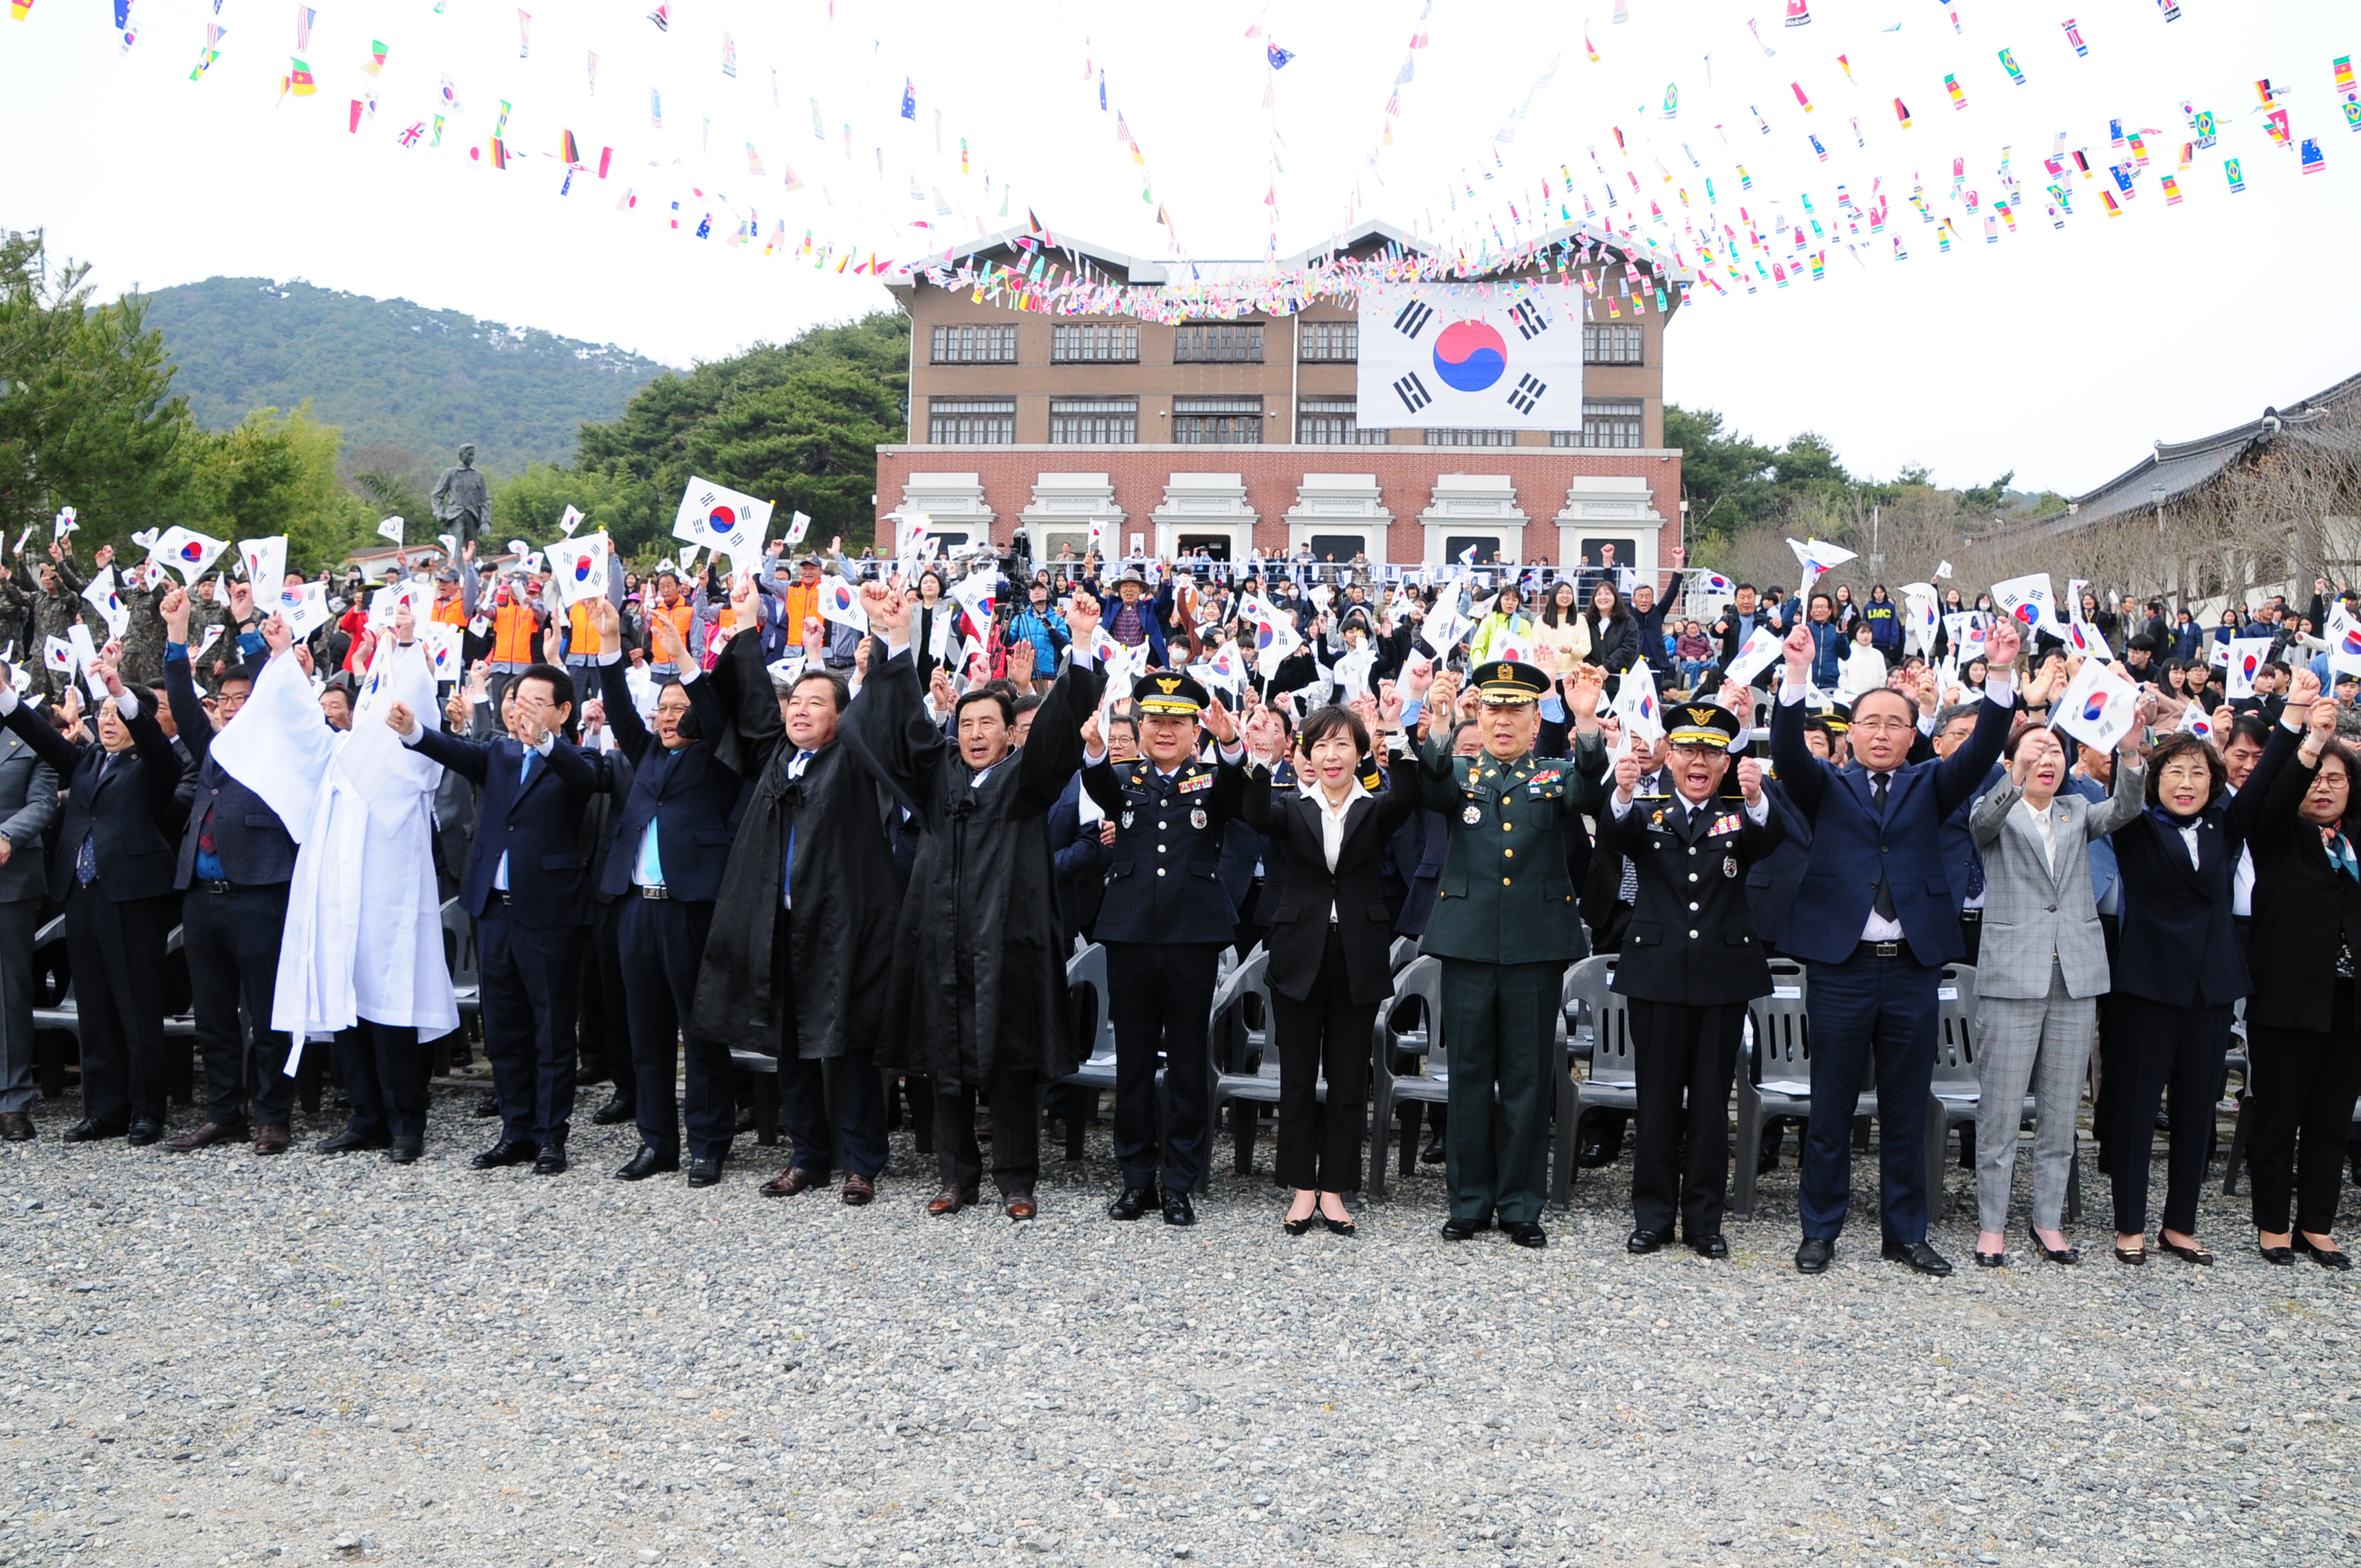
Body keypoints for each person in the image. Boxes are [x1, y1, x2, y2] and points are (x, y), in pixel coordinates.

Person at [1770, 612, 2021, 1277]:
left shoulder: (1930, 784)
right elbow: (1791, 753)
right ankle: (1819, 1230)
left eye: (1895, 725)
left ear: (1915, 736)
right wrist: (1796, 675)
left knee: (1908, 1109)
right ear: (1850, 733)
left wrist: (1999, 674)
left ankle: (1904, 1233)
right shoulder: (1827, 786)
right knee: (1829, 1108)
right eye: (1870, 724)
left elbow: (1985, 745)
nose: (1882, 735)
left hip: (1911, 969)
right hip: (1841, 968)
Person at [854, 584, 1103, 1219]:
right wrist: (896, 639)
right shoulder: (937, 780)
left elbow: (1056, 734)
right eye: (964, 724)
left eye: (987, 722)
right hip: (940, 940)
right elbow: (904, 730)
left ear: (1007, 732)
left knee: (1013, 1066)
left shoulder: (1027, 781)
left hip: (1008, 945)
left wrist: (1076, 643)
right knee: (944, 1065)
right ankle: (955, 1177)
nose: (974, 733)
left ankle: (1017, 1181)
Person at [690, 578, 899, 1205]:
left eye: (816, 702)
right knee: (792, 1050)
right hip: (778, 925)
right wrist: (750, 629)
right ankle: (808, 1155)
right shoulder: (779, 760)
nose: (800, 709)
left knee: (851, 1048)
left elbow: (884, 711)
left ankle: (862, 1161)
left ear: (842, 715)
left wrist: (885, 635)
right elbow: (753, 703)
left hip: (842, 928)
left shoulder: (857, 761)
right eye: (796, 702)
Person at [1401, 659, 1609, 1248]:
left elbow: (1589, 788)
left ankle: (1520, 1204)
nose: (1503, 720)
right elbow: (1431, 784)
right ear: (1480, 714)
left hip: (1535, 945)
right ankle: (1469, 1201)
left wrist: (1587, 720)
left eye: (1516, 709)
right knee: (1468, 1075)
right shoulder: (1461, 771)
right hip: (1467, 943)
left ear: (1536, 718)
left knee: (1526, 1080)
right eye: (1493, 708)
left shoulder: (1555, 773)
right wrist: (1436, 720)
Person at [2105, 685, 2307, 1266]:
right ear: (2158, 780)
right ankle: (2130, 1224)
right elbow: (2122, 795)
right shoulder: (2136, 828)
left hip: (2212, 986)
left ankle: (2180, 1225)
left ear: (2213, 783)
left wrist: (2293, 720)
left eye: (2198, 772)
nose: (2188, 782)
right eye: (2176, 772)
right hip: (2148, 984)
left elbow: (2269, 780)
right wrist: (2130, 751)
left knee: (2197, 1110)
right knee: (2139, 1110)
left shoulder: (2226, 824)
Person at [251, 609, 456, 1164]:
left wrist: (407, 644)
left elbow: (414, 696)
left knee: (392, 1007)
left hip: (387, 895)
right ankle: (366, 1116)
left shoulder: (405, 753)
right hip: (336, 894)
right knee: (347, 1007)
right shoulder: (339, 751)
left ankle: (407, 1121)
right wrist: (279, 653)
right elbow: (294, 722)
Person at [396, 661, 597, 1175]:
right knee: (504, 1030)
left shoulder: (576, 757)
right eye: (516, 700)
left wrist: (546, 744)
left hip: (549, 916)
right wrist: (416, 731)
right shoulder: (500, 754)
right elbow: (456, 752)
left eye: (534, 702)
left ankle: (552, 1136)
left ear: (562, 710)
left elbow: (584, 779)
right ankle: (516, 1130)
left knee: (551, 1031)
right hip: (493, 911)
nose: (520, 711)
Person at [1597, 703, 1782, 1257]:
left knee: (1708, 1103)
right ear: (1670, 756)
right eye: (1688, 750)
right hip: (1655, 975)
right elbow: (1613, 835)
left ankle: (1704, 1221)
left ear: (1727, 762)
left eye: (1711, 752)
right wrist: (1623, 790)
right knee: (1655, 1101)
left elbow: (1773, 838)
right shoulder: (1648, 811)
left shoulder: (1739, 810)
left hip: (1721, 977)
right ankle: (1653, 1217)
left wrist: (1756, 797)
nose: (1699, 761)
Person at [1964, 718, 2145, 1267]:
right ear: (2014, 760)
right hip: (2013, 975)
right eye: (2037, 749)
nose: (2049, 758)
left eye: (2057, 752)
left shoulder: (2074, 812)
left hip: (2075, 974)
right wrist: (2013, 776)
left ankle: (2048, 1221)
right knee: (2000, 1111)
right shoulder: (1993, 810)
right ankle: (1991, 1225)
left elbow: (2126, 810)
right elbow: (1985, 822)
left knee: (2062, 1111)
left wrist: (2131, 755)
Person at [0, 639, 190, 1145]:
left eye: (117, 714)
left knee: (136, 1006)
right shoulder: (87, 762)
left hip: (130, 896)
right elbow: (42, 737)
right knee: (96, 1007)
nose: (107, 721)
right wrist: (5, 697)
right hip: (81, 893)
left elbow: (154, 744)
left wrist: (121, 690)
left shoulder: (153, 766)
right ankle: (104, 1109)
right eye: (102, 713)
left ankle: (148, 1111)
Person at [584, 601, 747, 1188]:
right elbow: (623, 711)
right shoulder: (648, 750)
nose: (669, 717)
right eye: (664, 709)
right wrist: (608, 643)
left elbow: (712, 709)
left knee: (700, 1034)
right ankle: (657, 1143)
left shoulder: (718, 758)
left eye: (679, 709)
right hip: (636, 908)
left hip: (688, 910)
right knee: (644, 1035)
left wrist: (682, 658)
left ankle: (708, 1145)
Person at [1241, 700, 1418, 1236]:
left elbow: (1408, 795)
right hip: (1299, 955)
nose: (1331, 754)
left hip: (1357, 955)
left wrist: (1394, 723)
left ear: (1360, 752)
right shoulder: (1292, 807)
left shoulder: (1375, 806)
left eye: (1343, 743)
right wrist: (1257, 756)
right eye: (1321, 744)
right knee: (1296, 1077)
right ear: (1306, 754)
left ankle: (1336, 1188)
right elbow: (1252, 813)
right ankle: (1300, 1187)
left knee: (1346, 1080)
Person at [1080, 671, 1249, 1225]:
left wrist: (1230, 745)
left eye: (1177, 721)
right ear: (1143, 728)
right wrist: (1098, 746)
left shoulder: (1209, 778)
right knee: (1132, 1063)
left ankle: (1178, 1181)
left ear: (1194, 729)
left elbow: (1236, 792)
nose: (1166, 730)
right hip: (1129, 935)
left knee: (1186, 1064)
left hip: (1190, 937)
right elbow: (1099, 781)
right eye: (1156, 720)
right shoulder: (1126, 779)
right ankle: (1135, 1180)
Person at [156, 588, 302, 1155]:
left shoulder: (276, 744)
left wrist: (248, 624)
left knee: (266, 1013)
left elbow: (281, 690)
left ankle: (272, 1115)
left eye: (245, 697)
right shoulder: (211, 746)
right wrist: (176, 635)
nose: (234, 705)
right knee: (214, 1015)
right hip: (202, 893)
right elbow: (179, 702)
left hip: (259, 890)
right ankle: (224, 1113)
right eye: (226, 698)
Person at [2238, 688, 2358, 1269]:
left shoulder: (2355, 842)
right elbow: (2278, 797)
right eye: (2318, 777)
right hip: (2286, 1000)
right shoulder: (2280, 836)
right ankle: (2273, 1224)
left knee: (2332, 1119)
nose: (2326, 786)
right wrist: (2311, 742)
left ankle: (2318, 1223)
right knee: (2280, 1114)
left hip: (2348, 1002)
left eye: (2338, 778)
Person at [0, 685, 57, 1143]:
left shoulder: (29, 738)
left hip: (9, 881)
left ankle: (13, 1101)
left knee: (9, 993)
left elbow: (43, 803)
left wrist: (7, 835)